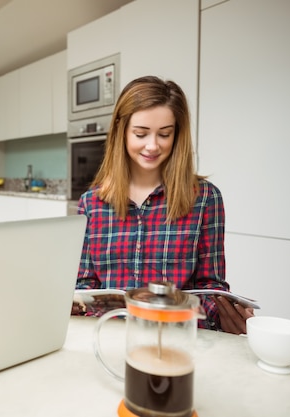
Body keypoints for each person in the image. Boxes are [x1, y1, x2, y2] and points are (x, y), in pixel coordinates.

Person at [73, 75, 253, 334]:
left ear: (177, 135)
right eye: (141, 133)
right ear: (121, 132)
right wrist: (76, 305)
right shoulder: (91, 203)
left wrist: (227, 315)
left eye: (164, 134)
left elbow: (209, 287)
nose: (152, 145)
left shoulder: (204, 199)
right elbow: (85, 286)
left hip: (178, 339)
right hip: (108, 338)